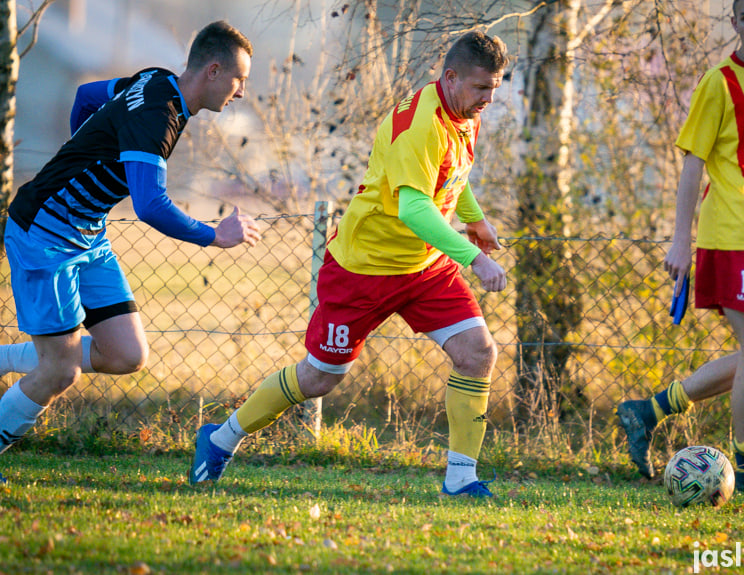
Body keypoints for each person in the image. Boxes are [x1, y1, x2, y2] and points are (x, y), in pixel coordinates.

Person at [189, 31, 509, 497]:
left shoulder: (462, 112)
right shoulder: (421, 123)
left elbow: (452, 174)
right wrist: (474, 257)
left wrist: (474, 220)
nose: (489, 99)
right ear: (452, 76)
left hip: (425, 267)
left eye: (495, 88)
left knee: (478, 352)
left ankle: (461, 480)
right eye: (482, 88)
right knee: (319, 378)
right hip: (364, 269)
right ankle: (220, 439)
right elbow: (413, 208)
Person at [0, 21, 261, 471]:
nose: (241, 92)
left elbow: (86, 95)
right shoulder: (157, 118)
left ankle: (6, 358)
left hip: (86, 233)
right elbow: (151, 205)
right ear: (214, 71)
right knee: (60, 371)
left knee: (126, 355)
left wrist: (83, 149)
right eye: (240, 80)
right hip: (44, 232)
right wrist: (215, 235)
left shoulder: (155, 78)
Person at [617, 0, 744, 495]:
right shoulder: (718, 84)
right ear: (733, 23)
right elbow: (693, 165)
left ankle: (649, 411)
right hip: (728, 235)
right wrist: (681, 241)